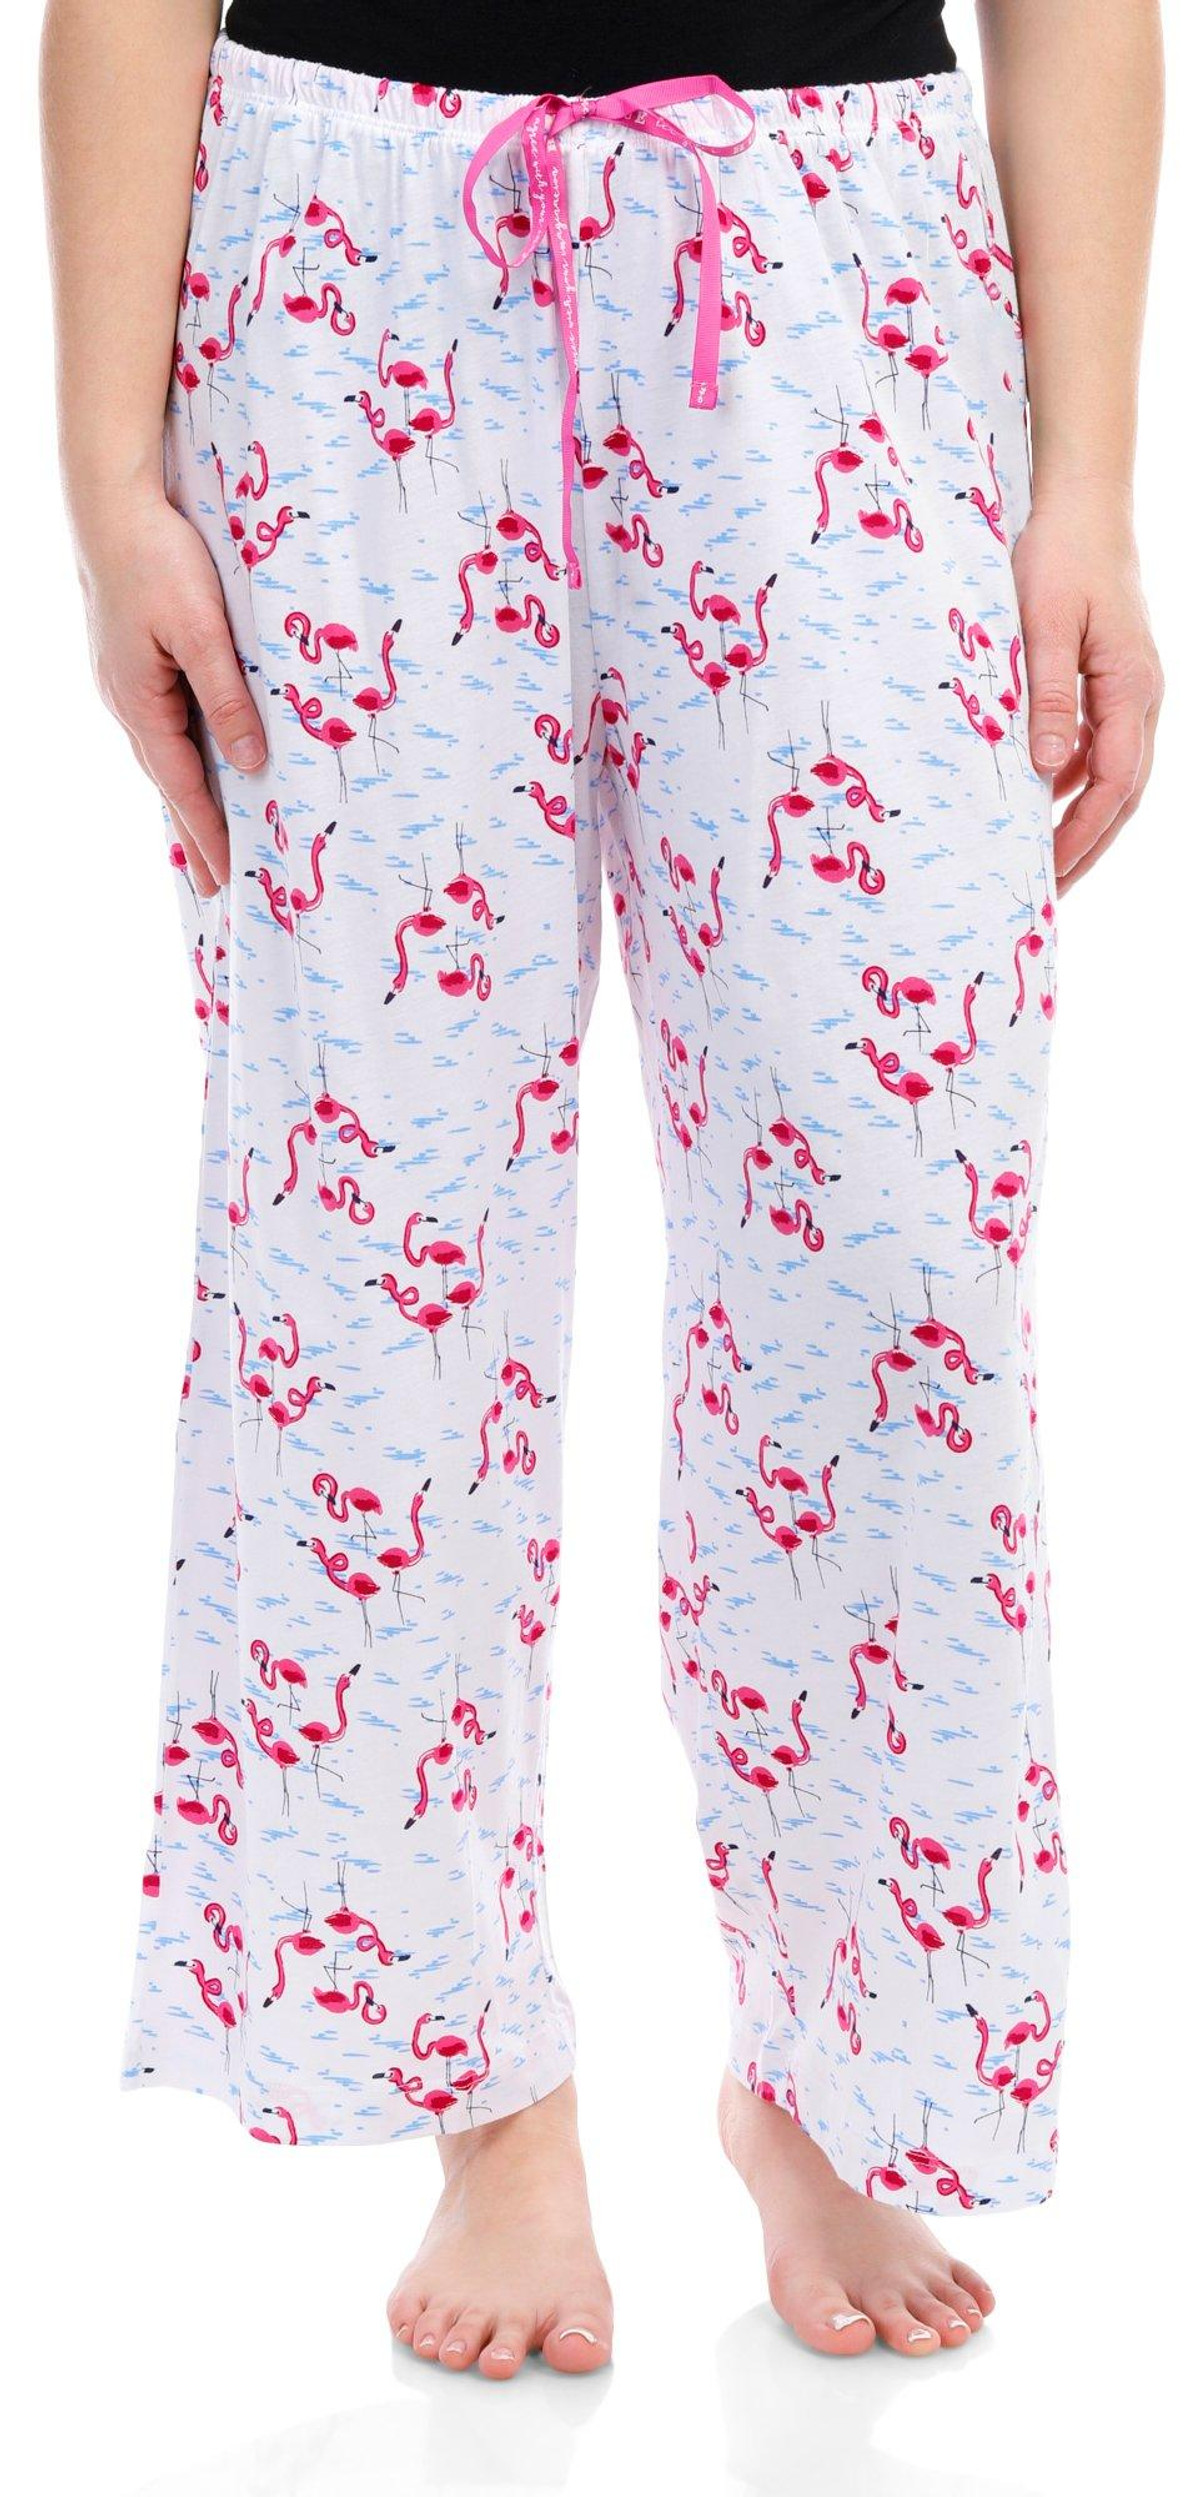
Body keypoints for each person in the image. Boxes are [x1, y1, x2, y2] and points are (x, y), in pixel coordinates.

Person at [41, 0, 1163, 2381]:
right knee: (378, 1222)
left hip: (835, 262)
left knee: (896, 1225)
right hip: (346, 259)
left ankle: (846, 2057)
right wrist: (108, 468)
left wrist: (1090, 482)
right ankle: (481, 2079)